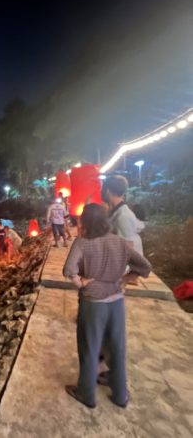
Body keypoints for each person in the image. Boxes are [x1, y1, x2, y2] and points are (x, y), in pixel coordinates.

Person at [62, 204, 151, 409]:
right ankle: (120, 395)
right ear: (105, 221)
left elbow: (68, 270)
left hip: (93, 304)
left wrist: (81, 283)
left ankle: (86, 394)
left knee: (90, 348)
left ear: (83, 222)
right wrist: (127, 278)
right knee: (117, 348)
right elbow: (145, 266)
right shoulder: (120, 242)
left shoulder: (82, 243)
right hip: (117, 301)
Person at [102, 175, 145, 255]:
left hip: (125, 267)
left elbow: (127, 251)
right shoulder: (116, 212)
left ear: (107, 191)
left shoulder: (123, 217)